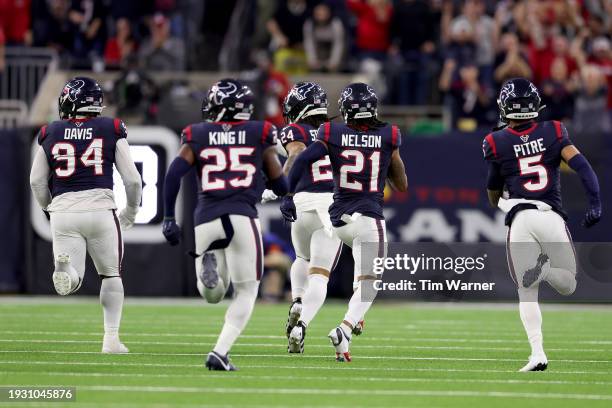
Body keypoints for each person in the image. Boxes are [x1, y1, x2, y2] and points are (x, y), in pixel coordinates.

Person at [162, 79, 288, 371]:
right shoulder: (260, 132)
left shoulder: (197, 134)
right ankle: (220, 352)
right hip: (243, 217)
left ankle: (211, 275)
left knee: (213, 294)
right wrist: (276, 187)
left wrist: (169, 217)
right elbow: (279, 181)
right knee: (246, 291)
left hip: (206, 218)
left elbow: (173, 175)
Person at [482, 78, 602, 372]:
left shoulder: (495, 142)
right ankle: (546, 270)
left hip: (521, 219)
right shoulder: (555, 131)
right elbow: (582, 167)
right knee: (568, 286)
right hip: (550, 215)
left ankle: (537, 353)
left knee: (526, 290)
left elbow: (492, 189)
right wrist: (596, 202)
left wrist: (501, 203)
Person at [284, 83, 408, 361]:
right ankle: (346, 328)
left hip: (339, 221)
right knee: (370, 280)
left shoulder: (331, 131)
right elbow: (401, 184)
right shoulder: (390, 134)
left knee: (326, 263)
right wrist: (386, 155)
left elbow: (301, 159)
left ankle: (348, 325)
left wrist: (288, 193)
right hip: (368, 214)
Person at [29, 76, 142, 354]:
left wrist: (49, 209)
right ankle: (111, 340)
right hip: (101, 209)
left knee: (73, 281)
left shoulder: (51, 131)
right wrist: (130, 211)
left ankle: (67, 270)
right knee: (111, 276)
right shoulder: (111, 127)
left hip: (64, 210)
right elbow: (133, 180)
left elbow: (36, 181)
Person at [276, 82, 342, 353]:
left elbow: (295, 154)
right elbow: (299, 153)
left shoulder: (295, 130)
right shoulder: (336, 131)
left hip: (303, 204)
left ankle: (297, 299)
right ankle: (302, 325)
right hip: (330, 204)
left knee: (302, 258)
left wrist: (285, 191)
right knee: (320, 274)